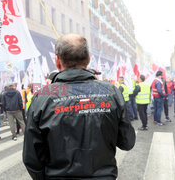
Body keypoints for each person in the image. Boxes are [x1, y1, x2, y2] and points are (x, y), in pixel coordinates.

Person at [23, 34, 135, 179]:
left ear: (57, 61)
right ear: (88, 59)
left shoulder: (42, 97)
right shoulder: (111, 92)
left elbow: (32, 157)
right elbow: (127, 141)